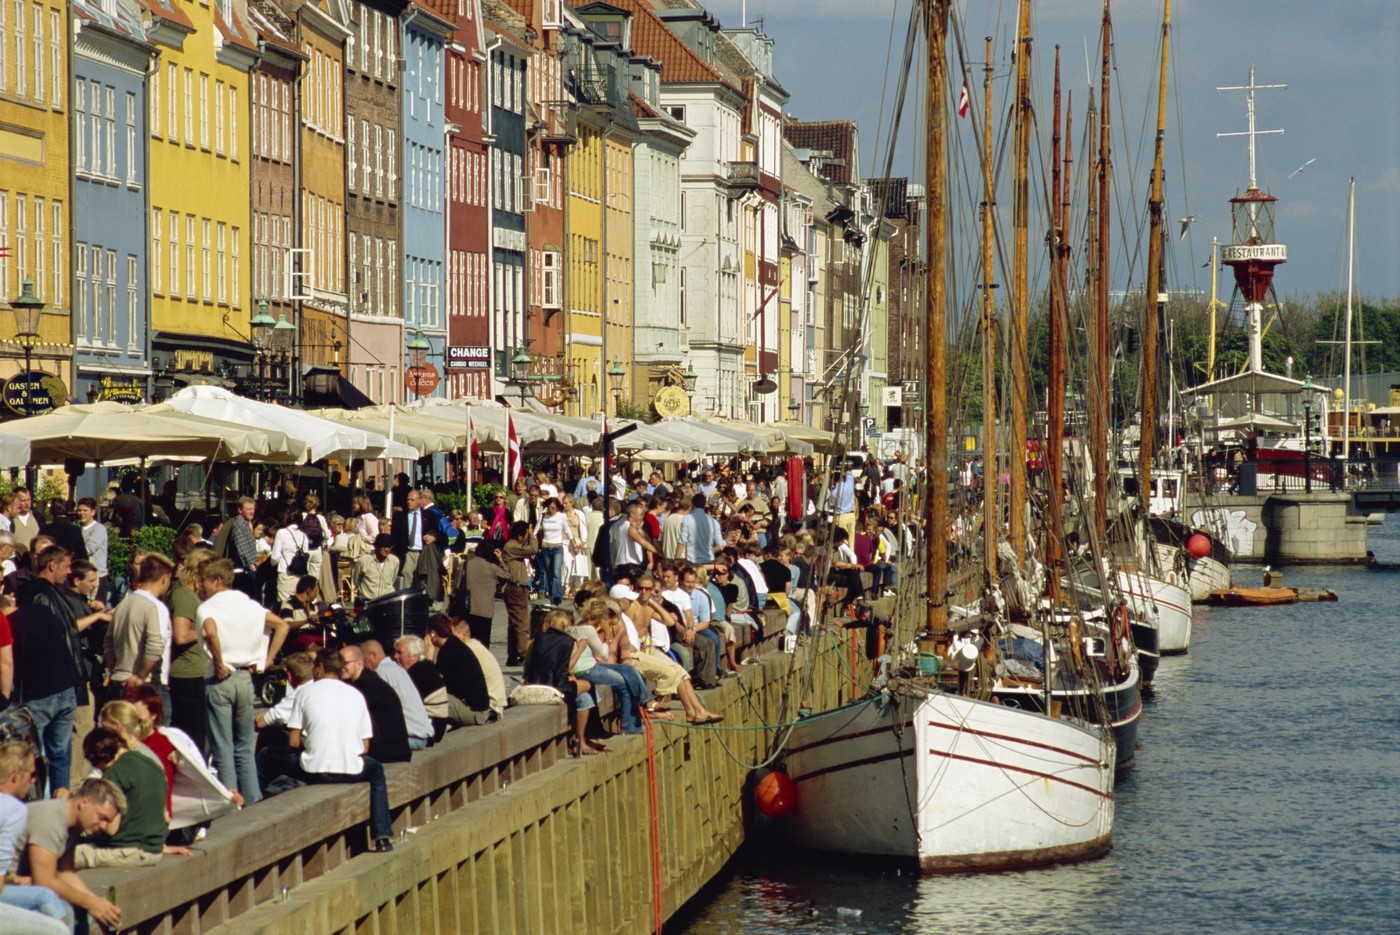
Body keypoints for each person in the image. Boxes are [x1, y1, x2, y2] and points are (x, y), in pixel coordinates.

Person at [256, 648, 395, 852]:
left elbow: (293, 742)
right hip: (352, 771)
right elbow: (365, 747)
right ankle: (383, 836)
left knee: (266, 755)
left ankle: (256, 804)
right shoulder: (356, 695)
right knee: (376, 772)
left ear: (320, 667)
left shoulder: (304, 693)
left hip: (314, 770)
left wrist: (312, 744)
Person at [197, 557, 291, 805]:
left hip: (221, 677)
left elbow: (210, 632)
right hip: (246, 678)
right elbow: (282, 626)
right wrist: (267, 660)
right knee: (244, 747)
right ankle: (252, 800)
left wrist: (218, 661)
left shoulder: (207, 607)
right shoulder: (250, 605)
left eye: (203, 580)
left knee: (223, 747)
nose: (200, 585)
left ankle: (230, 804)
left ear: (217, 580)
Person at [15, 778, 125, 931]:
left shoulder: (75, 827)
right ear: (85, 802)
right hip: (7, 886)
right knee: (65, 911)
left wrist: (99, 904)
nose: (104, 826)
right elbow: (44, 882)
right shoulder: (51, 819)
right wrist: (91, 903)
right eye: (102, 818)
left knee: (82, 910)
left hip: (22, 885)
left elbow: (66, 873)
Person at [0, 742, 69, 932]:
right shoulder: (14, 810)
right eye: (32, 774)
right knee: (58, 928)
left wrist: (12, 879)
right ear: (15, 776)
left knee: (61, 907)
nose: (33, 781)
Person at [103, 552, 174, 708]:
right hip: (147, 684)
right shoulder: (155, 607)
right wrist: (140, 676)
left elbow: (108, 642)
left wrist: (115, 670)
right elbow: (156, 645)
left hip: (119, 680)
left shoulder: (123, 605)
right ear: (164, 578)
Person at [339, 645, 411, 764]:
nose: (341, 667)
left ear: (359, 663)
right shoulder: (368, 680)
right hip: (395, 751)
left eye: (345, 663)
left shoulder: (365, 686)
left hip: (390, 756)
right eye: (338, 663)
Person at [359, 640, 433, 751]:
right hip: (422, 736)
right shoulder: (396, 669)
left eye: (363, 660)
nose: (363, 665)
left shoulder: (381, 674)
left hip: (411, 738)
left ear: (373, 655)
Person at [425, 615, 493, 725]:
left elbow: (432, 684)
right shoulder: (454, 645)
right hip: (479, 709)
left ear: (433, 634)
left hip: (474, 713)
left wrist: (428, 659)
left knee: (429, 699)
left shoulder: (448, 651)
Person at [392, 636, 450, 739]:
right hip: (435, 725)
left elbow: (400, 704)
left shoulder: (418, 674)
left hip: (431, 729)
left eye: (399, 652)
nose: (395, 656)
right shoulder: (424, 667)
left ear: (414, 656)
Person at [501, 521, 536, 666]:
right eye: (526, 535)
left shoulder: (514, 547)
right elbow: (533, 548)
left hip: (519, 588)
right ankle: (523, 653)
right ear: (520, 535)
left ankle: (513, 655)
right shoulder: (511, 546)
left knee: (514, 623)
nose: (527, 537)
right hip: (515, 588)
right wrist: (532, 534)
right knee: (522, 624)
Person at [462, 541, 507, 650]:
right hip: (485, 610)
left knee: (470, 641)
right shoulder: (492, 567)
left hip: (469, 607)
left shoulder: (467, 563)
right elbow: (506, 575)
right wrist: (500, 559)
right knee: (483, 643)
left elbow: (457, 584)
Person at [75, 498, 109, 602]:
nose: (81, 513)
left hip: (97, 578)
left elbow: (88, 549)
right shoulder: (78, 529)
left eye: (85, 510)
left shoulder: (99, 529)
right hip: (82, 577)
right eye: (79, 510)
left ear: (93, 512)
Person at [536, 497, 567, 605]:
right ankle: (552, 596)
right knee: (549, 572)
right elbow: (536, 531)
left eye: (553, 508)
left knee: (556, 572)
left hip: (557, 547)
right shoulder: (543, 516)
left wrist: (575, 543)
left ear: (558, 508)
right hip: (545, 547)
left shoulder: (561, 517)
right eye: (549, 507)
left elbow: (567, 530)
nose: (551, 510)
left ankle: (557, 596)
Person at [354, 533, 401, 603]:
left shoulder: (394, 561)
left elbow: (392, 579)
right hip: (368, 600)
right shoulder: (364, 560)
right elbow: (357, 580)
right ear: (376, 547)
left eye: (389, 547)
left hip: (387, 600)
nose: (387, 549)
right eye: (384, 547)